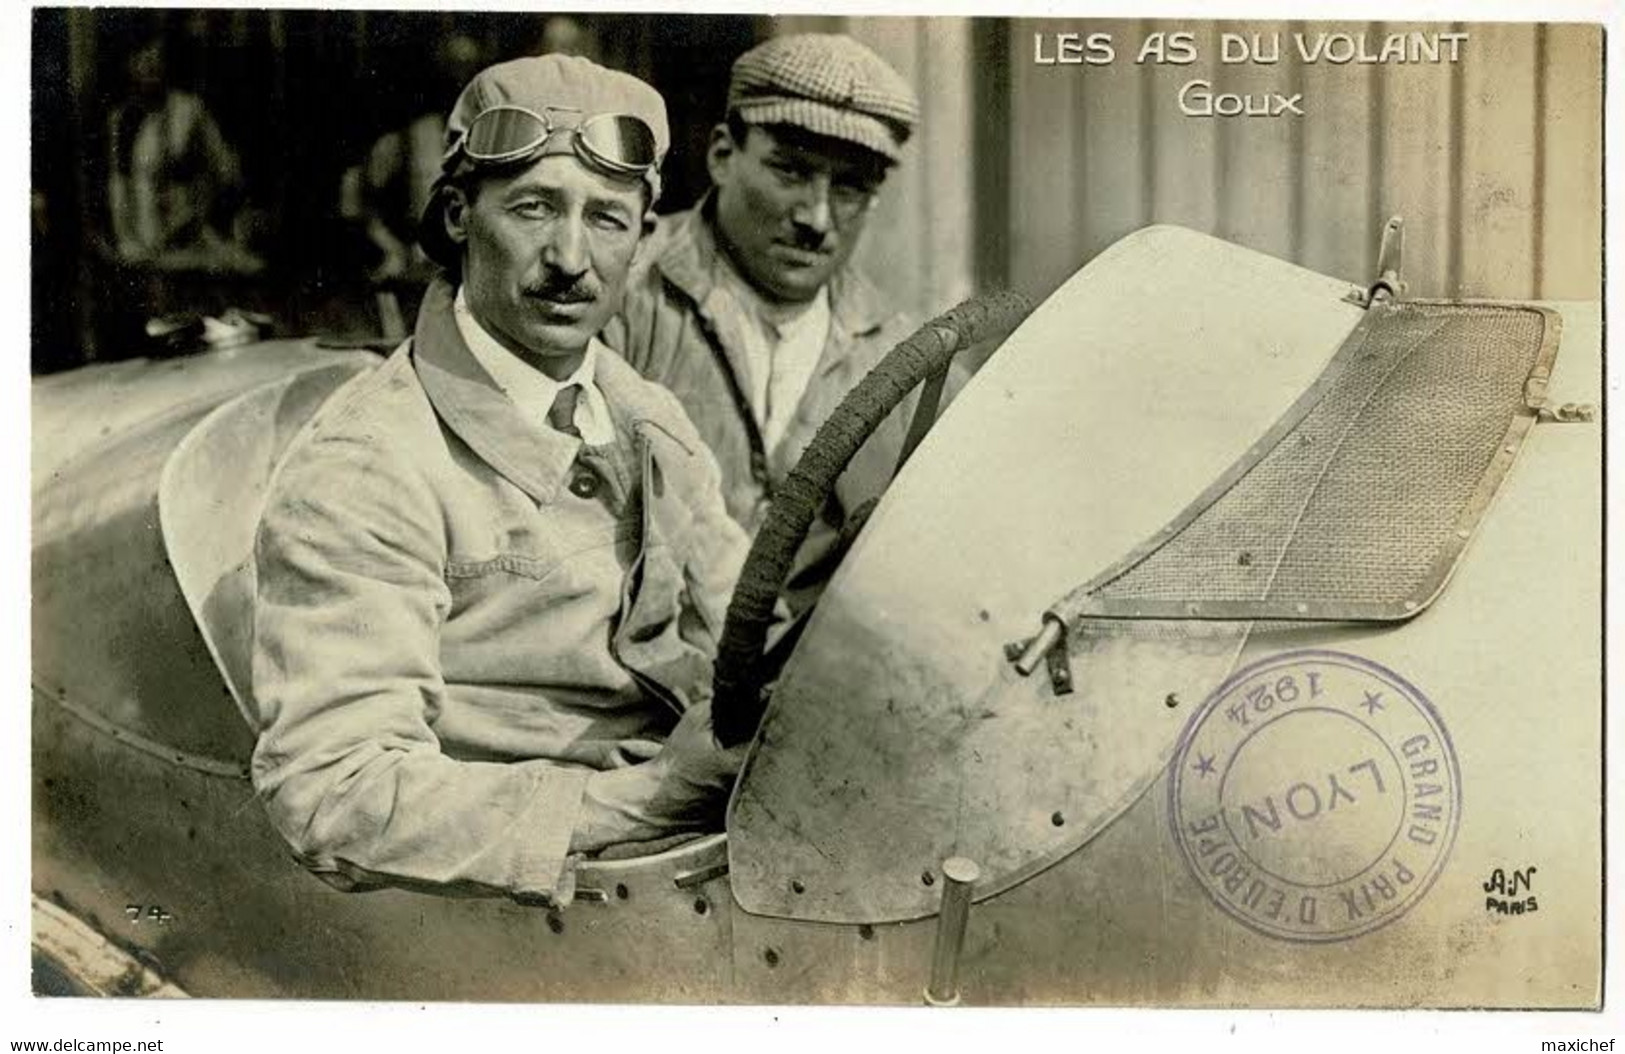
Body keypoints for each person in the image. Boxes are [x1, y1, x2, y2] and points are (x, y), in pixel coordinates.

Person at [251, 55, 746, 906]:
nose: (569, 259)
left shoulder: (643, 414)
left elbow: (744, 619)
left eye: (606, 219)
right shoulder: (369, 463)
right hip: (526, 907)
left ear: (645, 238)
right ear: (458, 215)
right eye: (532, 208)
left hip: (689, 862)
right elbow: (331, 792)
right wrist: (646, 796)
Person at [603, 33, 925, 618]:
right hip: (645, 686)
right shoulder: (619, 293)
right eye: (790, 171)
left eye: (850, 186)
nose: (816, 218)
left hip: (819, 692)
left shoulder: (907, 356)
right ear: (723, 154)